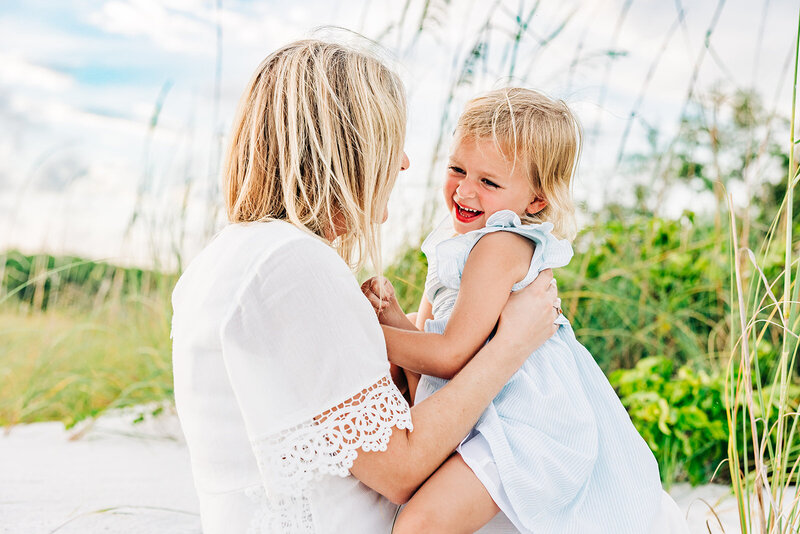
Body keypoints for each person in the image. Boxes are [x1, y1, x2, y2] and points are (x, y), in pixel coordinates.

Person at [171, 40, 562, 534]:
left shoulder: (224, 259)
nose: (402, 163)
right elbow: (399, 469)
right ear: (347, 148)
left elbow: (336, 420)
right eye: (388, 140)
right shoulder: (293, 264)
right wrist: (513, 345)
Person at [361, 88, 690, 533]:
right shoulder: (451, 245)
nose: (465, 189)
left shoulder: (500, 243)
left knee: (421, 524)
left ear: (535, 201)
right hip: (484, 411)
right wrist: (393, 316)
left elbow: (450, 353)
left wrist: (361, 328)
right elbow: (428, 358)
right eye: (457, 168)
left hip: (527, 423)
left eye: (489, 182)